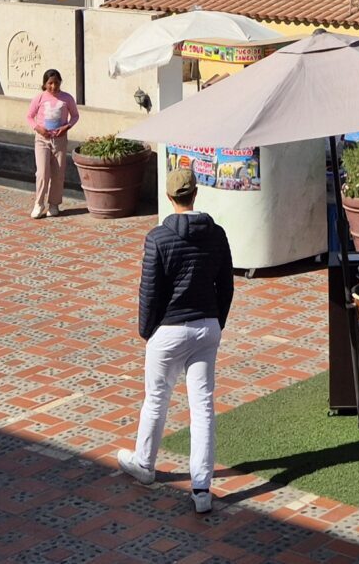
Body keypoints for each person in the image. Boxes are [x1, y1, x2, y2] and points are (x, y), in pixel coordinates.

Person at [117, 165, 234, 515]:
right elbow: (226, 285)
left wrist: (146, 330)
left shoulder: (158, 238)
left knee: (156, 398)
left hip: (168, 330)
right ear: (195, 193)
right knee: (203, 406)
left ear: (170, 198)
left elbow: (149, 291)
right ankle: (202, 489)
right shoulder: (217, 234)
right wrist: (217, 322)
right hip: (206, 327)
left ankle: (145, 464)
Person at [25, 68, 80, 218]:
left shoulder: (67, 98)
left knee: (58, 173)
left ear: (60, 82)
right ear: (45, 84)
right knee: (42, 173)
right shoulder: (40, 98)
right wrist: (38, 128)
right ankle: (39, 203)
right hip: (42, 140)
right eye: (50, 83)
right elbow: (29, 117)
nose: (53, 86)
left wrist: (66, 127)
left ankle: (54, 204)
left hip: (60, 140)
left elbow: (75, 116)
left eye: (56, 83)